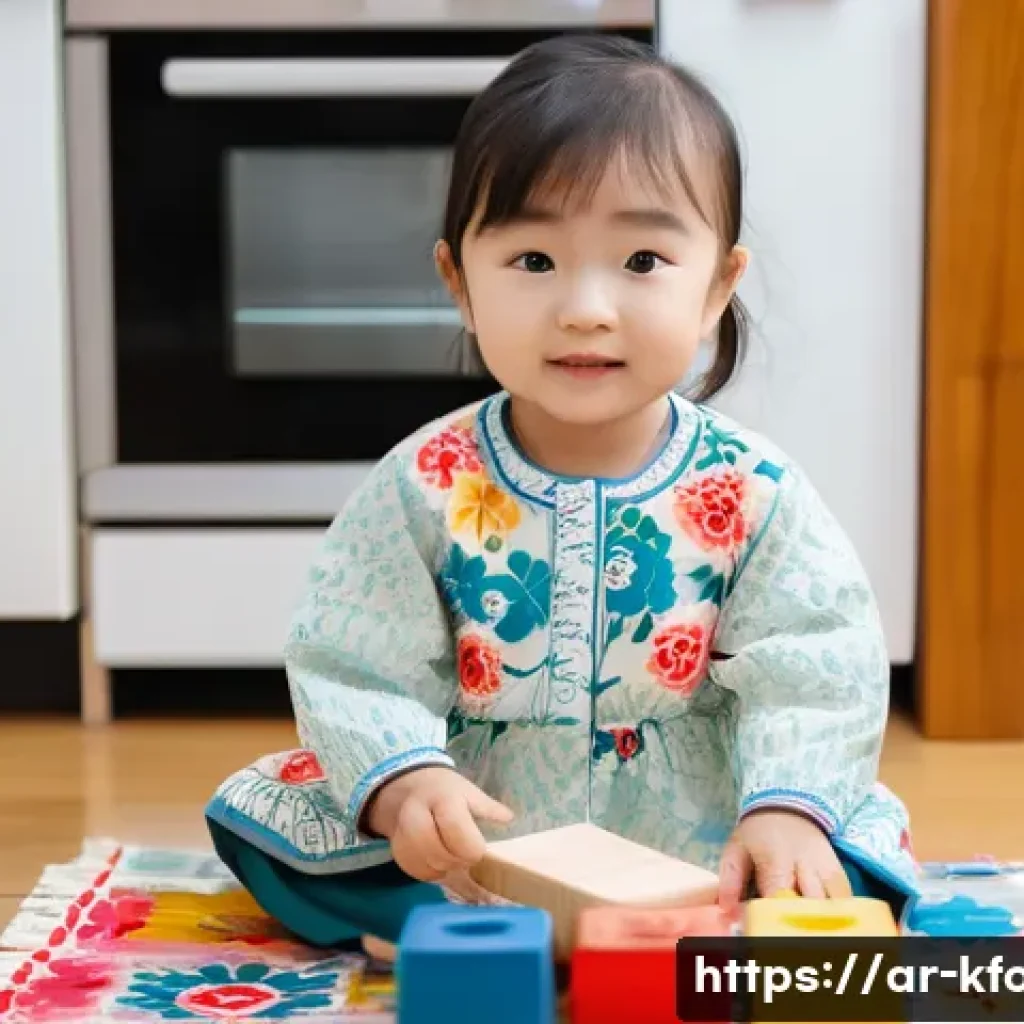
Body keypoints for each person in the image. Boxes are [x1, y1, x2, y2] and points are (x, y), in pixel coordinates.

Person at [205, 33, 919, 947]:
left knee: (847, 850)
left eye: (642, 261)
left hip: (701, 839)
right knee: (263, 822)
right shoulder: (425, 481)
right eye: (534, 261)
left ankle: (638, 925)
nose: (585, 308)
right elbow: (354, 661)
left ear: (716, 288)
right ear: (459, 283)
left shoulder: (754, 489)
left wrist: (786, 811)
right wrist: (407, 786)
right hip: (483, 842)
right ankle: (510, 925)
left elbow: (817, 668)